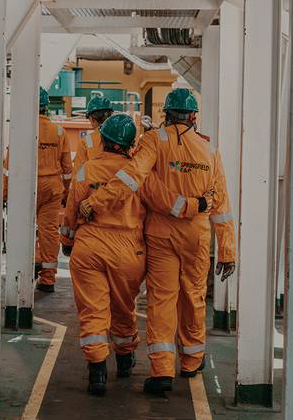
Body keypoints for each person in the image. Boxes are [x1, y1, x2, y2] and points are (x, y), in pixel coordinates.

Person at [79, 88, 236, 393]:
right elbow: (222, 206)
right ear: (193, 116)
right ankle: (192, 360)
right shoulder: (210, 150)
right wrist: (227, 250)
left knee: (162, 298)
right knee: (193, 294)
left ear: (166, 114)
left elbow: (131, 177)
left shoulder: (154, 141)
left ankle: (162, 370)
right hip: (198, 234)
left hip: (161, 234)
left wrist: (96, 201)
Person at [59, 114, 145, 396]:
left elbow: (71, 209)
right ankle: (124, 360)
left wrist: (67, 240)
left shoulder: (86, 170)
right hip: (127, 249)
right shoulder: (138, 174)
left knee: (93, 310)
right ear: (130, 144)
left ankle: (97, 371)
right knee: (123, 307)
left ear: (104, 140)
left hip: (90, 246)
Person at [35, 87, 73, 293]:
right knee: (49, 231)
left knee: (23, 229)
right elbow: (67, 169)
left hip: (28, 187)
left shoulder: (23, 129)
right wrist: (67, 192)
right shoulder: (59, 132)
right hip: (52, 188)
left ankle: (31, 263)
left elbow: (9, 165)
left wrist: (5, 193)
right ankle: (48, 279)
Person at [72, 95, 114, 172]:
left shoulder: (86, 141)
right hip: (117, 182)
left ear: (92, 118)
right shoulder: (121, 137)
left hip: (94, 181)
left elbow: (78, 171)